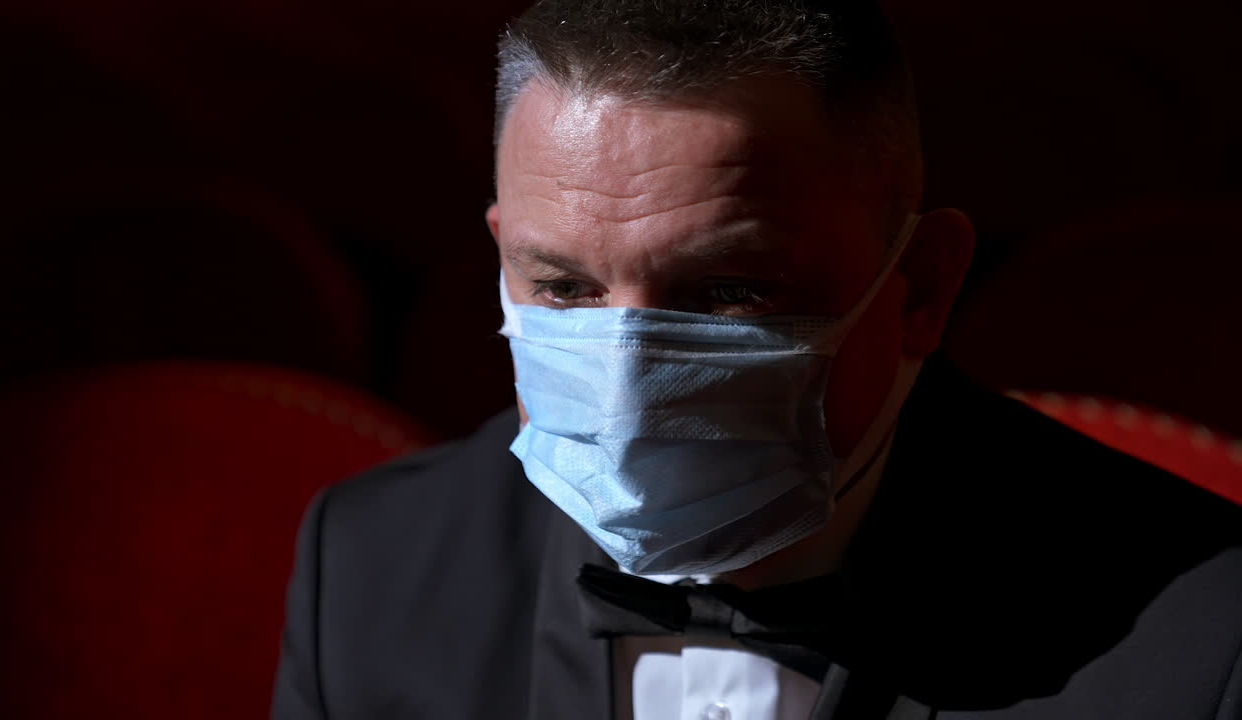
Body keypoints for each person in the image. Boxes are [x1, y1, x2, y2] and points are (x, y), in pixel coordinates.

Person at [271, 1, 1242, 718]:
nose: (623, 388)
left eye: (726, 291)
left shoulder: (1201, 640)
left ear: (918, 286)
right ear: (499, 253)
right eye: (564, 288)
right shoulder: (369, 564)